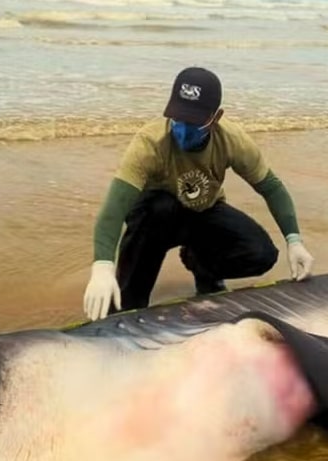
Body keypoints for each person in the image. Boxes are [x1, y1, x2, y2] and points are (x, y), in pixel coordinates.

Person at [82, 65, 315, 321]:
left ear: (215, 118)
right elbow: (114, 208)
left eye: (193, 123)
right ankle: (129, 304)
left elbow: (271, 187)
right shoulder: (150, 142)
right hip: (155, 220)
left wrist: (294, 241)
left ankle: (202, 266)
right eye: (178, 119)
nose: (183, 130)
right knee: (158, 211)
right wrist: (102, 266)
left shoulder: (231, 139)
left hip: (204, 211)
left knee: (261, 254)